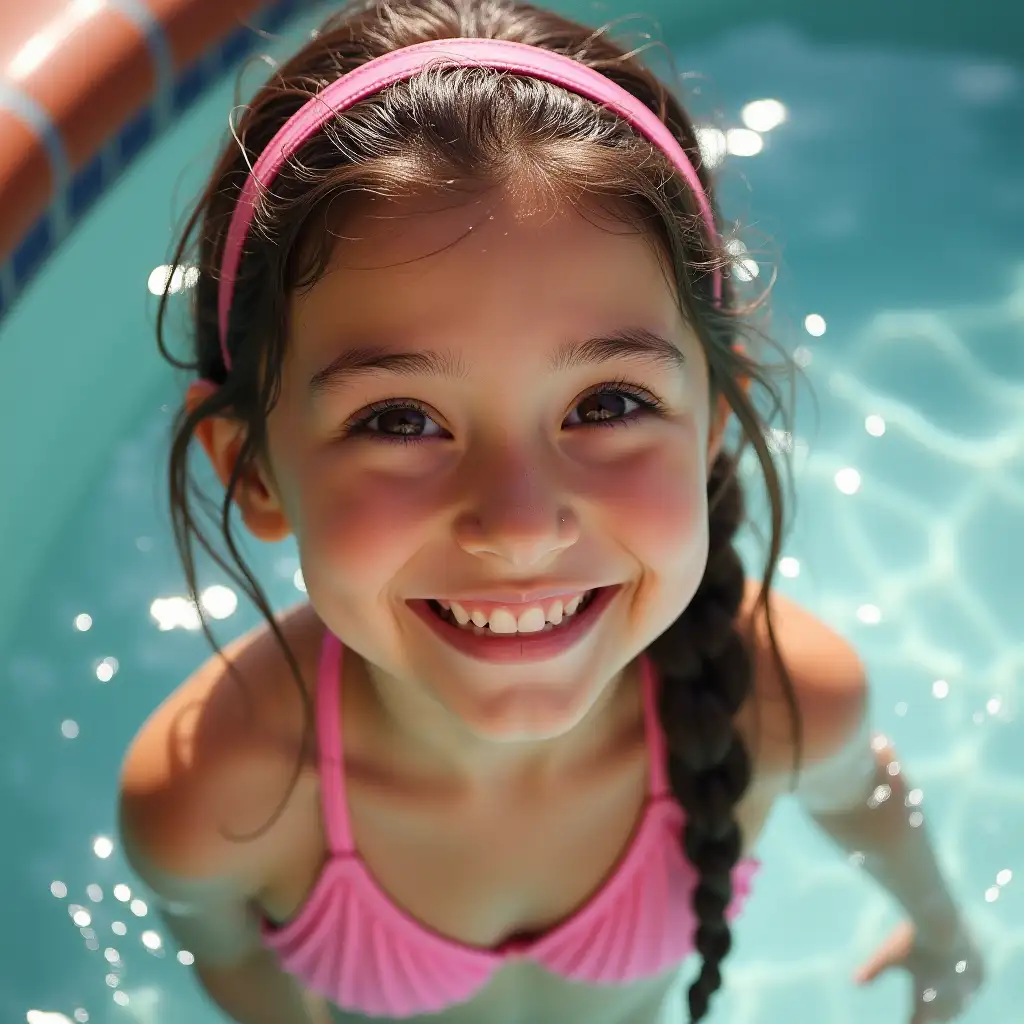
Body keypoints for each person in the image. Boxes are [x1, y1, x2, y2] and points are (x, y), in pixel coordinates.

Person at [117, 2, 984, 1022]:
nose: (521, 525)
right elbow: (234, 970)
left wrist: (944, 938)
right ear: (253, 470)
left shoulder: (783, 700)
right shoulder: (214, 799)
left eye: (607, 404)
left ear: (714, 418)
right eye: (399, 419)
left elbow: (869, 803)